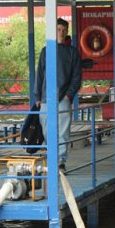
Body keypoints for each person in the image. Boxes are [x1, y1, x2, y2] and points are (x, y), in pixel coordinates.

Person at [34, 18, 82, 171]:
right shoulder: (45, 51)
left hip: (63, 99)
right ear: (53, 31)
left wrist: (68, 95)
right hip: (45, 98)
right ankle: (52, 158)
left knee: (62, 132)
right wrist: (37, 97)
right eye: (58, 29)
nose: (61, 32)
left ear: (67, 32)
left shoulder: (72, 52)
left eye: (64, 30)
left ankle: (60, 162)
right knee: (47, 131)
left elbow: (76, 77)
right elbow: (39, 75)